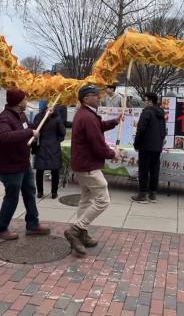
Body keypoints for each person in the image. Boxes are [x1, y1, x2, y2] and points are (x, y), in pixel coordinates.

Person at [65, 85, 122, 256]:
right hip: (88, 166)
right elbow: (97, 144)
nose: (99, 97)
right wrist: (112, 153)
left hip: (83, 164)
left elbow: (97, 129)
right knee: (103, 200)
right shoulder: (87, 116)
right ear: (84, 98)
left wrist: (114, 122)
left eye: (99, 95)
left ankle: (81, 233)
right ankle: (76, 229)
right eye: (94, 95)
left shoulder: (86, 114)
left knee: (86, 199)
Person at [0, 89, 51, 240]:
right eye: (25, 99)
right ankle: (0, 229)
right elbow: (3, 137)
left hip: (23, 164)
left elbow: (33, 127)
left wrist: (47, 115)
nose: (27, 102)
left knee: (30, 192)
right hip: (10, 166)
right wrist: (29, 133)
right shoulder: (4, 118)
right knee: (12, 197)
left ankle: (33, 224)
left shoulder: (21, 115)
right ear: (18, 103)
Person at [131, 92, 166, 203]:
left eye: (145, 100)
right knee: (154, 170)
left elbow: (140, 130)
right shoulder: (161, 112)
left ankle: (142, 195)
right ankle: (153, 194)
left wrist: (136, 144)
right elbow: (163, 131)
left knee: (144, 171)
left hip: (145, 146)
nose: (144, 102)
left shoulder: (146, 112)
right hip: (157, 147)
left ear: (150, 101)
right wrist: (160, 142)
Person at [32, 101, 66, 199]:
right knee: (40, 170)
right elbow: (35, 128)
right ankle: (40, 191)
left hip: (52, 147)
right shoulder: (39, 117)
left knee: (54, 170)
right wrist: (45, 118)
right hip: (41, 146)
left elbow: (62, 132)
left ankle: (54, 192)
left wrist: (56, 141)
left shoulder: (57, 118)